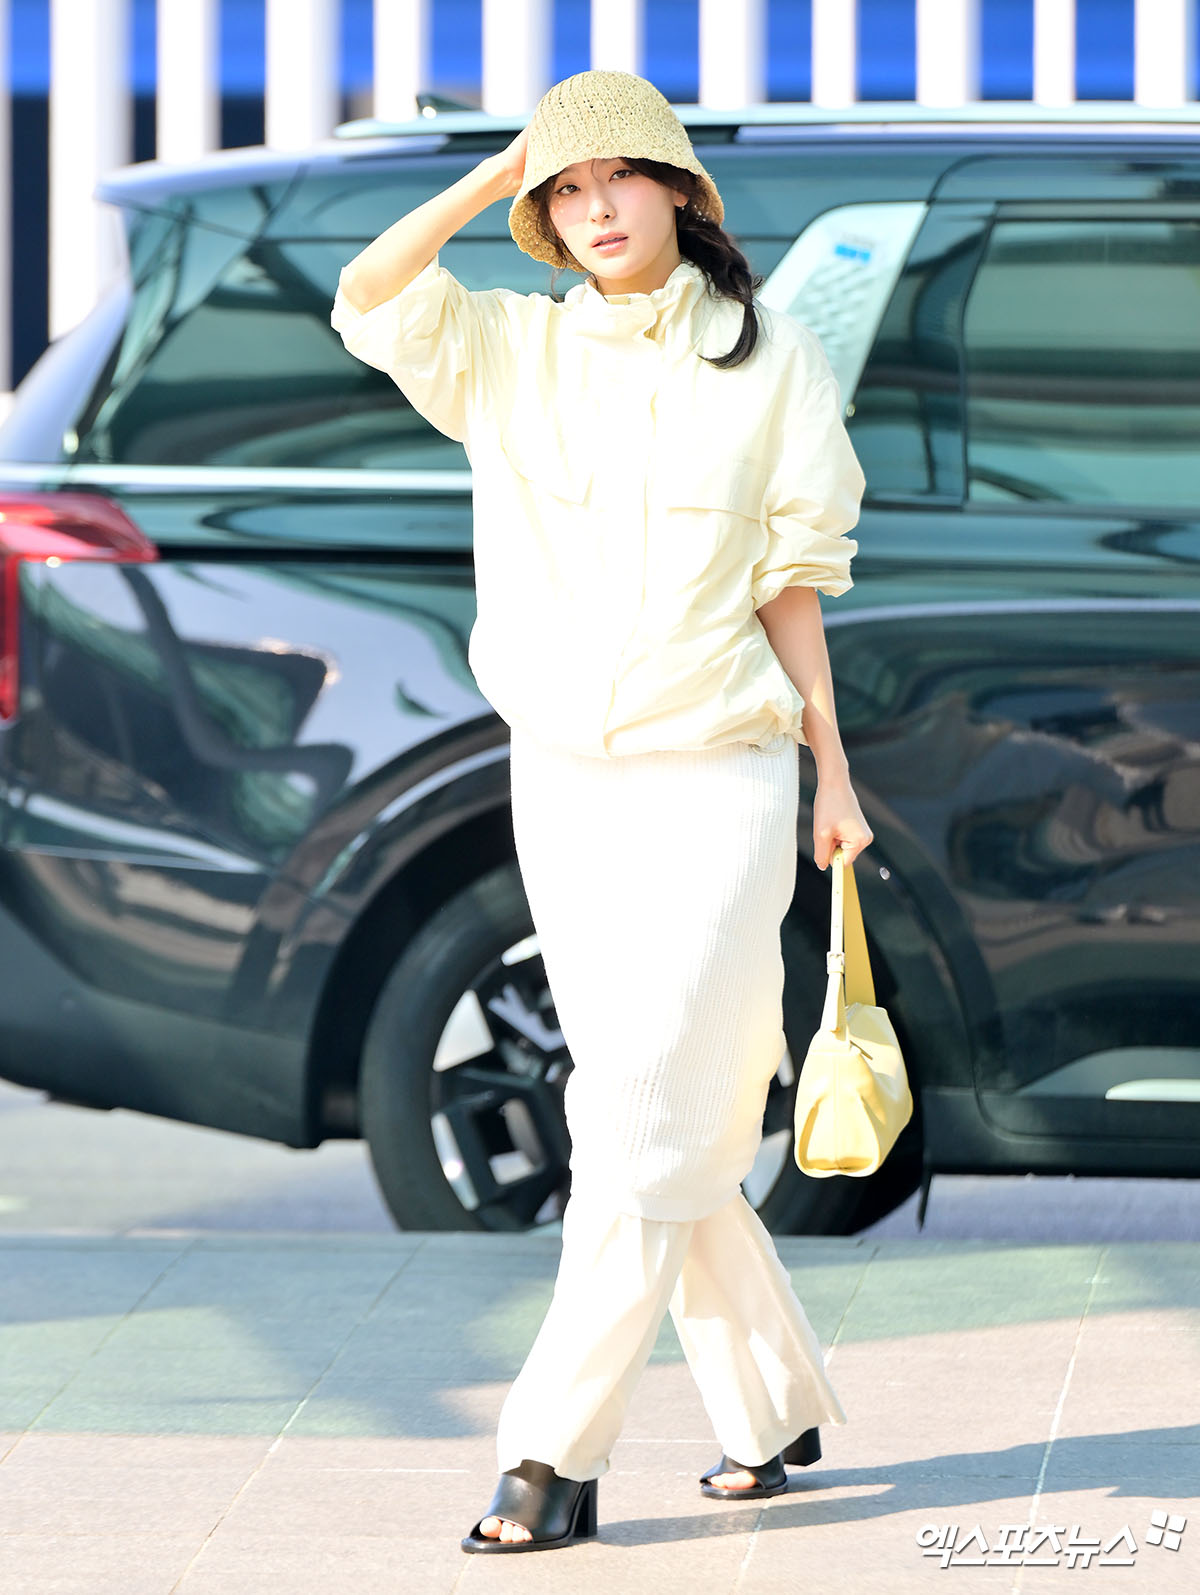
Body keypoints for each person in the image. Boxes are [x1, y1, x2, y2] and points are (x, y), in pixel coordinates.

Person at [331, 67, 873, 1555]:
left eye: (615, 177)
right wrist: (497, 166)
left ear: (678, 190)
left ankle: (550, 1452)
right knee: (657, 1103)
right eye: (564, 194)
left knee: (635, 1107)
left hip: (725, 769)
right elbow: (370, 295)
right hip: (566, 778)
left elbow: (793, 586)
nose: (593, 210)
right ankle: (771, 1401)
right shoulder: (508, 348)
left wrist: (832, 771)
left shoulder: (772, 360)